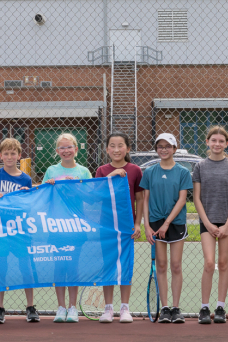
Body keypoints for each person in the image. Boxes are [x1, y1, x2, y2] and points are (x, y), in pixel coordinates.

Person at [139, 133, 194, 324]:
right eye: (160, 146)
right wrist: (147, 225)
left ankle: (176, 308)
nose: (163, 149)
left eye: (167, 146)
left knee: (176, 265)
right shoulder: (149, 172)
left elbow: (181, 200)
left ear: (174, 149)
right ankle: (164, 308)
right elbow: (145, 199)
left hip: (175, 223)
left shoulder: (183, 172)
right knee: (161, 266)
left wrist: (167, 223)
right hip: (154, 222)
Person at [191, 127, 228, 324]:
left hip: (226, 221)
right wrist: (208, 223)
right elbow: (196, 198)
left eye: (221, 141)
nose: (217, 144)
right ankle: (204, 308)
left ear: (226, 144)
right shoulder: (200, 166)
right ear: (207, 142)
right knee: (209, 263)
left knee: (223, 263)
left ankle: (220, 306)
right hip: (207, 222)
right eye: (214, 140)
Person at [94, 132, 145, 323]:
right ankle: (108, 308)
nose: (116, 149)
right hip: (105, 226)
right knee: (108, 266)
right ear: (107, 149)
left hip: (126, 227)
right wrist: (112, 175)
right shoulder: (101, 170)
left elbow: (140, 199)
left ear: (128, 148)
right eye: (112, 146)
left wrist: (137, 223)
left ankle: (125, 308)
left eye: (120, 145)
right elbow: (98, 195)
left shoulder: (135, 170)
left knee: (124, 266)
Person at [0, 138, 38, 322]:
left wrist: (25, 196)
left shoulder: (26, 178)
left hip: (20, 229)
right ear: (0, 156)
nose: (9, 156)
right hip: (0, 229)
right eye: (6, 153)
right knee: (1, 267)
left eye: (13, 153)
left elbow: (29, 205)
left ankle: (30, 307)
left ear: (19, 155)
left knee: (26, 266)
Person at [43, 133, 93, 323]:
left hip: (76, 227)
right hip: (56, 226)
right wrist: (48, 186)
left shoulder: (84, 172)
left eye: (69, 147)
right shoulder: (51, 170)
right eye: (62, 148)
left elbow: (90, 197)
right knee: (59, 266)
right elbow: (43, 197)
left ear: (76, 149)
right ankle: (61, 307)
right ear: (57, 151)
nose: (66, 151)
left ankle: (73, 308)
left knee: (73, 265)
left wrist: (77, 186)